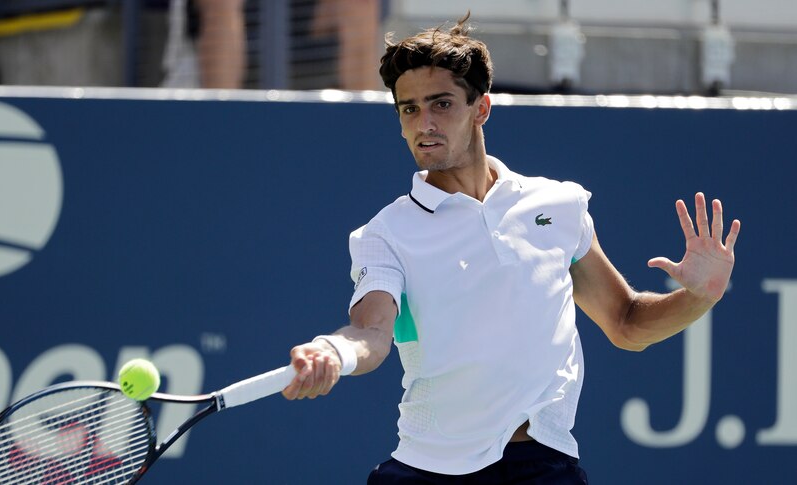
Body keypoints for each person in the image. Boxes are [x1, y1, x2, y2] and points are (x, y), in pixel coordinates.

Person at [281, 12, 740, 484]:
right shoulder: (385, 234)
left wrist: (699, 296)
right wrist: (334, 350)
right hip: (429, 469)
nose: (424, 123)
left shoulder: (559, 206)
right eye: (409, 109)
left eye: (441, 104)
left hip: (544, 466)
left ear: (481, 108)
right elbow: (372, 333)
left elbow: (626, 324)